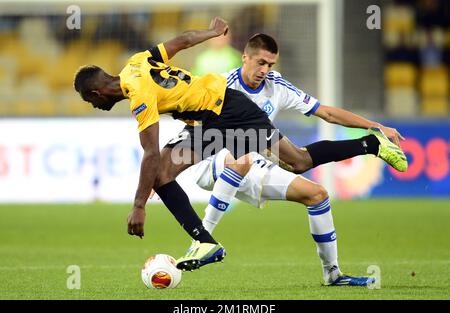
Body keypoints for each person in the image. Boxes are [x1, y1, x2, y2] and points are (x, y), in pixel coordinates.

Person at [73, 18, 407, 273]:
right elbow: (183, 41)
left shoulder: (140, 98)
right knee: (163, 171)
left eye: (90, 102)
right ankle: (205, 242)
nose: (94, 106)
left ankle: (370, 144)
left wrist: (139, 206)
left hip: (231, 110)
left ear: (96, 93)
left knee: (299, 161)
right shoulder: (135, 63)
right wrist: (210, 32)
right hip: (208, 120)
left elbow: (148, 151)